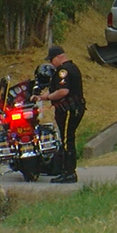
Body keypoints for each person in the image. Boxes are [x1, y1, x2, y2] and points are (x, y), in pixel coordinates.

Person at [36, 46, 86, 183]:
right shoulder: (73, 67)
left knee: (66, 139)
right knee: (69, 138)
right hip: (75, 108)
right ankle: (67, 170)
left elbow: (63, 91)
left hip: (69, 109)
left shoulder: (63, 71)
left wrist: (48, 97)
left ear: (58, 57)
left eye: (52, 60)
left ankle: (69, 172)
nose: (52, 63)